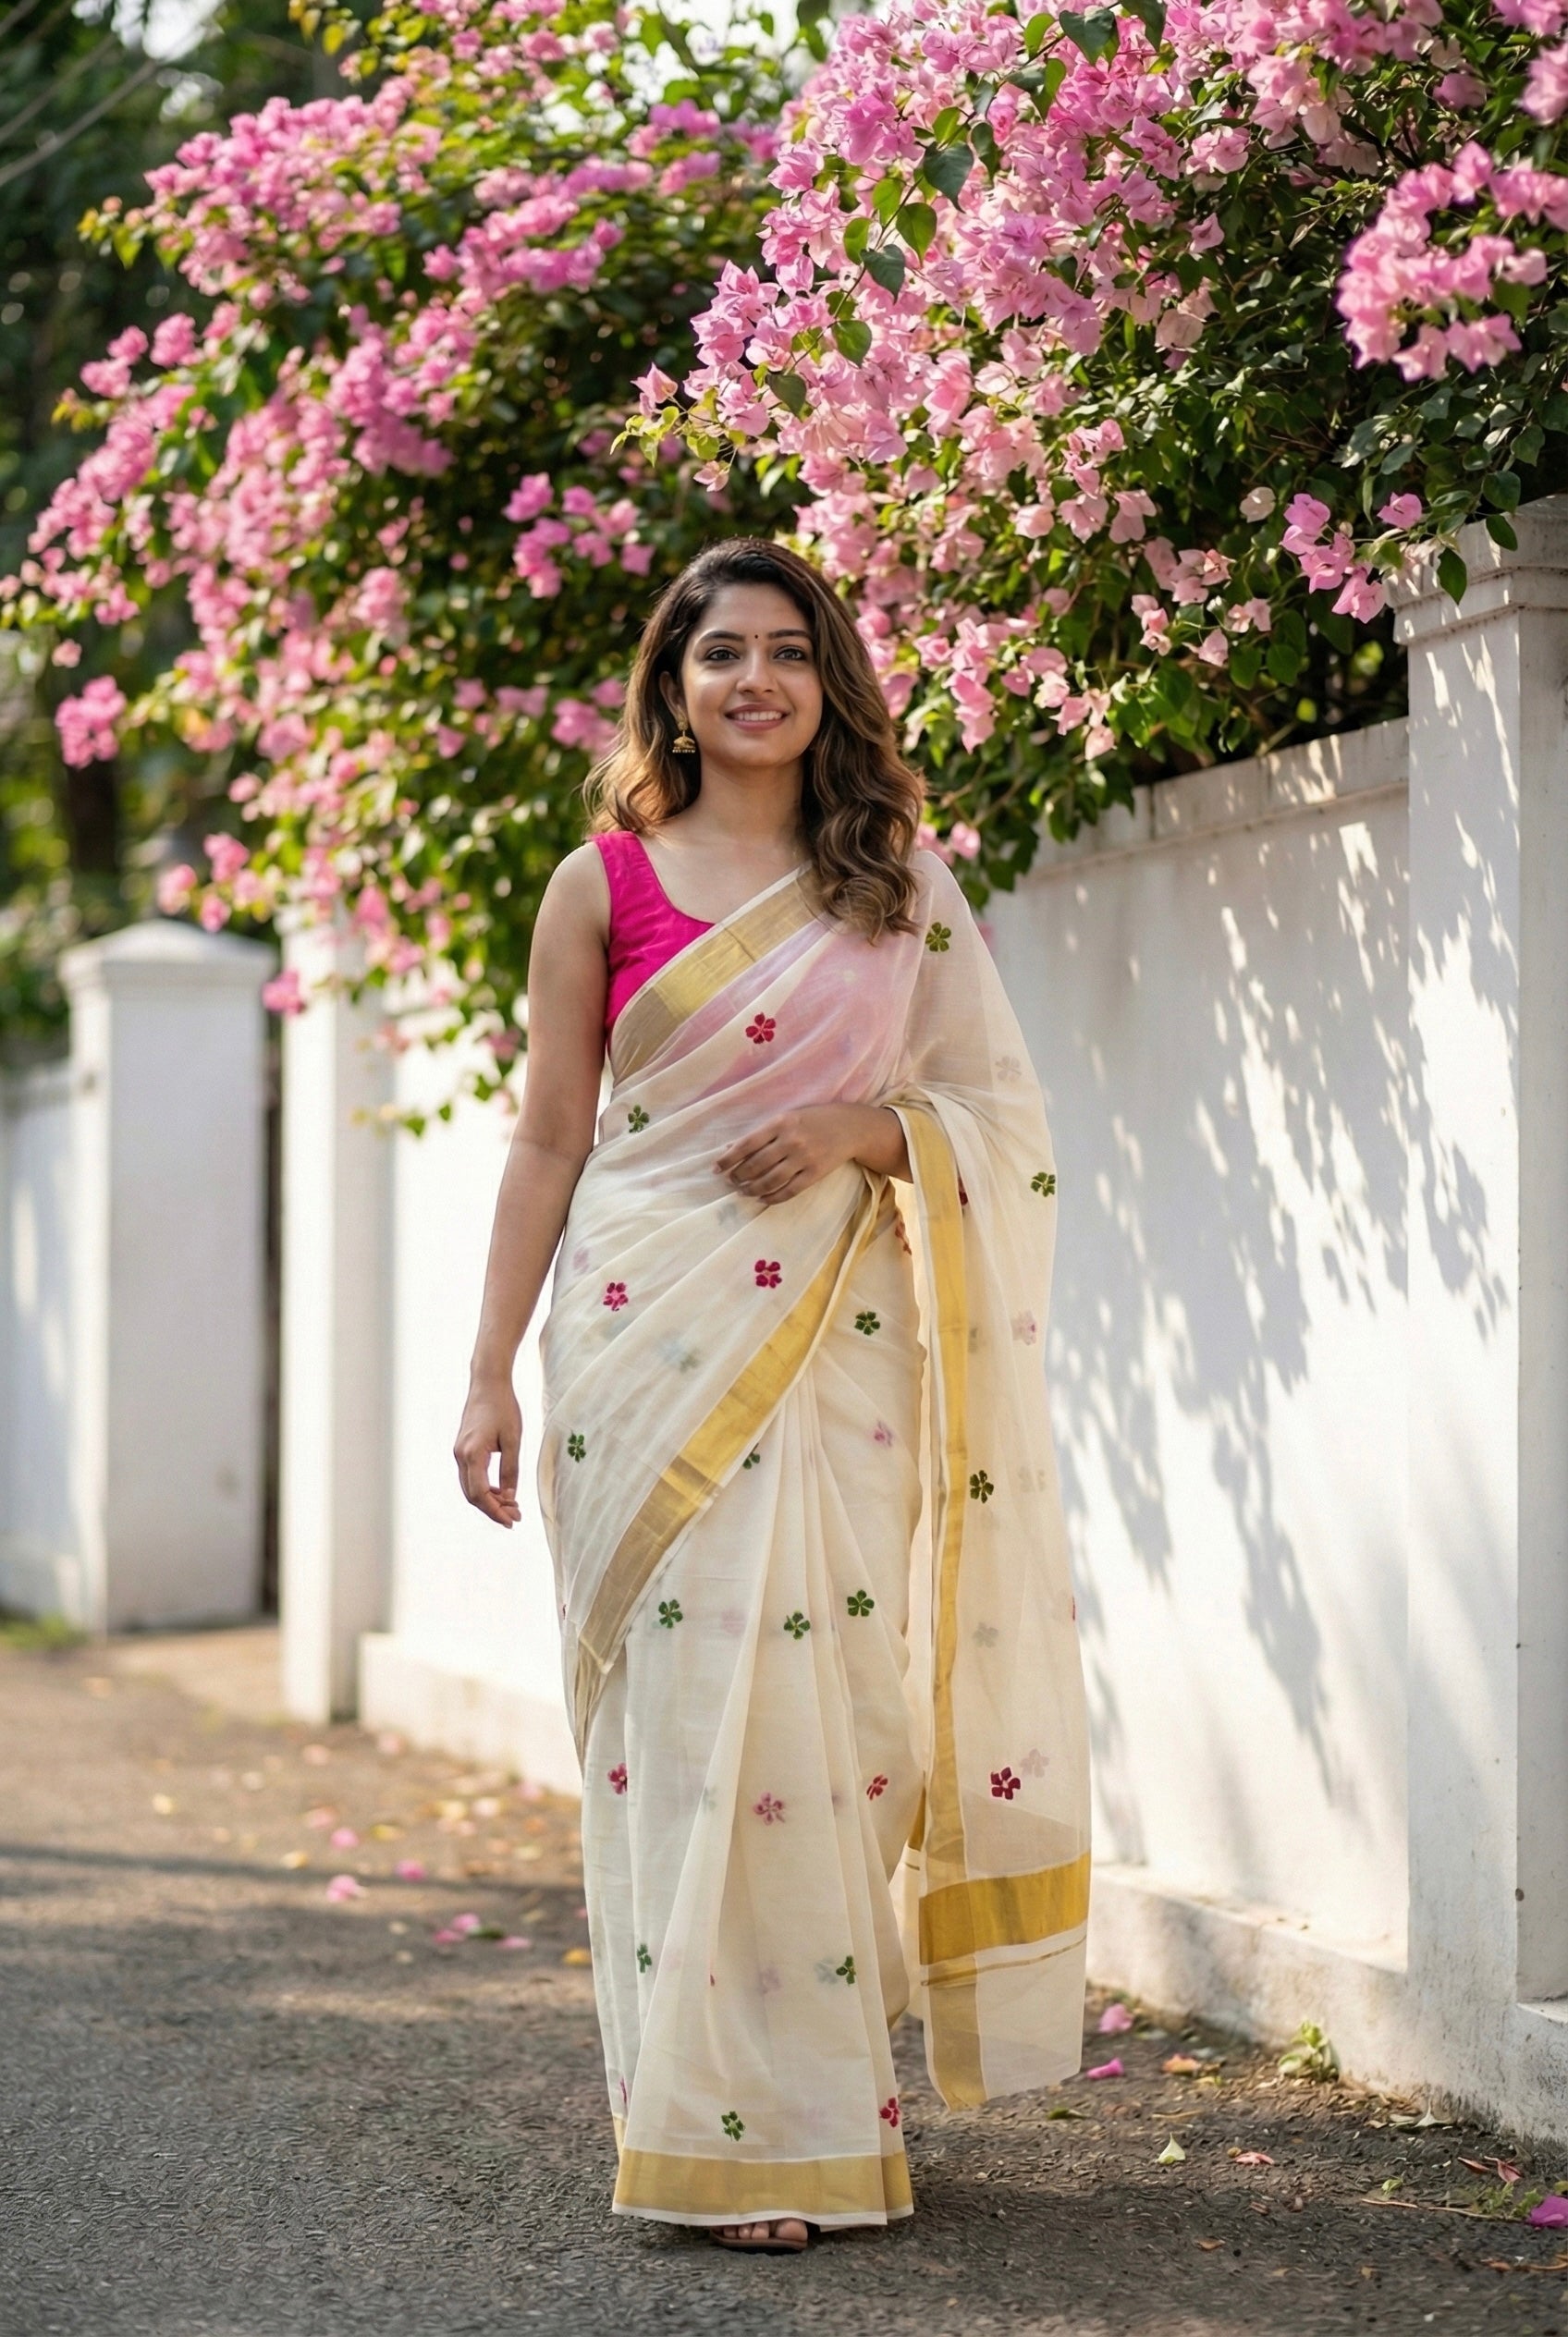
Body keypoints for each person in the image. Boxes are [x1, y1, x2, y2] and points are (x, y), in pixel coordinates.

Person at [454, 539, 1090, 2252]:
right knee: (693, 1731)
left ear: (830, 681)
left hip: (837, 1341)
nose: (753, 680)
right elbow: (549, 1137)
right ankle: (727, 2130)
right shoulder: (601, 882)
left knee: (839, 1734)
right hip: (638, 1334)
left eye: (787, 652)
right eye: (719, 650)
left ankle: (810, 2091)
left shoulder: (893, 882)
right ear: (670, 678)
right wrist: (486, 1372)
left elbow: (1003, 1125)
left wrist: (864, 1132)